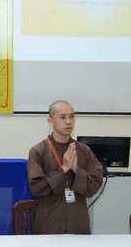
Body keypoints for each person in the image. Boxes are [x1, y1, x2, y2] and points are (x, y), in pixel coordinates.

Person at [27, 100, 103, 234]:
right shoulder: (38, 151)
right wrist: (64, 168)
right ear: (51, 121)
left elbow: (95, 184)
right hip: (49, 220)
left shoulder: (84, 150)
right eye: (62, 117)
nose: (68, 122)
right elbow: (37, 188)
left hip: (77, 219)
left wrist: (76, 169)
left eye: (72, 117)